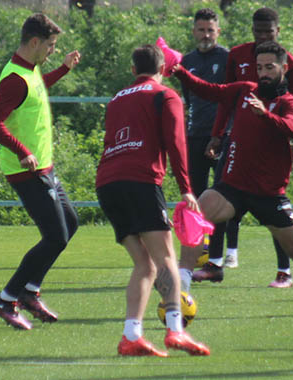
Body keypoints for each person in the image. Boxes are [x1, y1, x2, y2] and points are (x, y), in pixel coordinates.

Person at [172, 40, 293, 317]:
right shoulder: (245, 91)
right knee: (196, 216)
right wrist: (180, 72)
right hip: (232, 186)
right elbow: (210, 91)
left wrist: (266, 115)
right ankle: (180, 294)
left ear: (283, 68)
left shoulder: (288, 102)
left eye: (269, 67)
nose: (263, 73)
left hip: (268, 194)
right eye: (259, 67)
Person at [96, 44, 209, 356]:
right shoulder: (165, 94)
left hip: (107, 183)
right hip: (140, 180)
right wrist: (186, 188)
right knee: (166, 259)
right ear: (163, 69)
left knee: (144, 265)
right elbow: (175, 142)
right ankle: (176, 330)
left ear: (133, 70)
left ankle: (131, 336)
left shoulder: (115, 99)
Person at [191, 7, 293, 288]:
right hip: (238, 139)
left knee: (272, 207)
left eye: (267, 32)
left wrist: (278, 116)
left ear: (278, 32)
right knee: (221, 194)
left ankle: (284, 271)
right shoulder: (238, 55)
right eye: (257, 32)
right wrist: (218, 134)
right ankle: (215, 264)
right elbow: (227, 98)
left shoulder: (290, 64)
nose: (262, 37)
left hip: (271, 141)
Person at [0, 13, 81, 330]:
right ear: (35, 42)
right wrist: (23, 151)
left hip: (44, 167)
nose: (52, 50)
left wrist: (63, 68)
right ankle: (6, 298)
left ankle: (29, 291)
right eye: (50, 45)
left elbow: (36, 89)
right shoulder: (14, 79)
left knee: (70, 224)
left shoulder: (30, 71)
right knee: (55, 236)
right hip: (26, 170)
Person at [179, 8, 235, 267]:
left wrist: (224, 132)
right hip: (195, 136)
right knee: (197, 196)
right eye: (201, 30)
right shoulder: (186, 61)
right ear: (193, 31)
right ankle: (200, 252)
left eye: (210, 30)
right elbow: (188, 99)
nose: (205, 35)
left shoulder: (227, 58)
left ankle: (223, 254)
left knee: (222, 196)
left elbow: (233, 97)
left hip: (223, 137)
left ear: (218, 32)